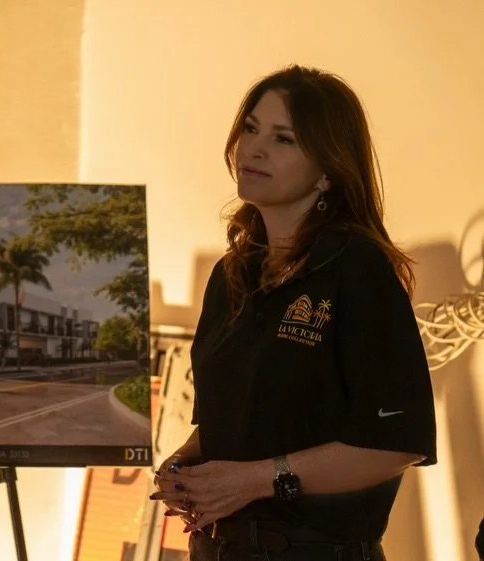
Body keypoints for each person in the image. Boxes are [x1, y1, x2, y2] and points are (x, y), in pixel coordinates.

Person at [150, 65, 438, 560]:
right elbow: (245, 422)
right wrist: (186, 464)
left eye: (283, 139)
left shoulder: (357, 269)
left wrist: (253, 482)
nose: (254, 149)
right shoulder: (230, 276)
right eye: (250, 128)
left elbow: (395, 443)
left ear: (328, 170)